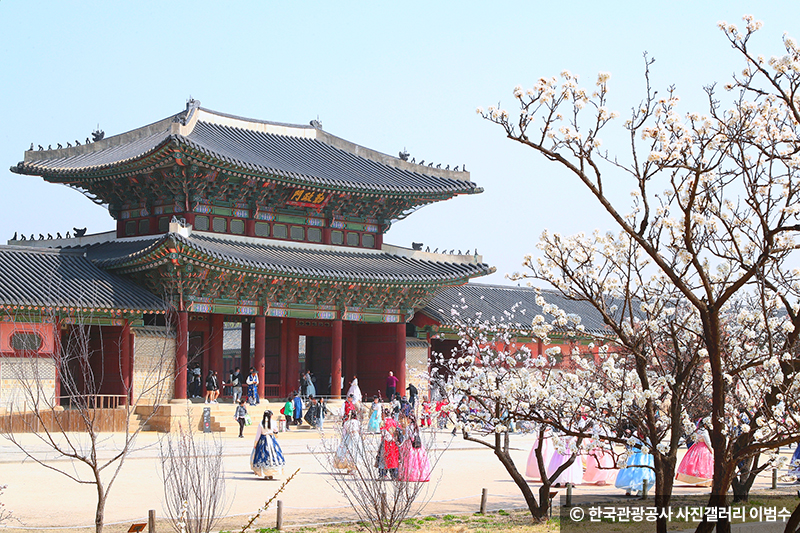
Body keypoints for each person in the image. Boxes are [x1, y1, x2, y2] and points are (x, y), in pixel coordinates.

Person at [676, 421, 713, 486]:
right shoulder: (705, 432)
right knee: (704, 464)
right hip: (704, 447)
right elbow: (707, 442)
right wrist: (711, 450)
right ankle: (704, 481)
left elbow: (696, 440)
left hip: (698, 446)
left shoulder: (697, 431)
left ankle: (697, 480)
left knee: (697, 464)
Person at [251, 410, 285, 480]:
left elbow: (258, 434)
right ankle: (272, 473)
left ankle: (265, 473)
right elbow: (275, 430)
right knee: (274, 454)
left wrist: (256, 443)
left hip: (263, 440)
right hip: (271, 439)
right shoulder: (273, 422)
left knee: (263, 455)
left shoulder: (261, 423)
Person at [399, 417, 431, 482]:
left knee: (409, 460)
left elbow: (407, 437)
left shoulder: (409, 427)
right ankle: (421, 475)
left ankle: (409, 475)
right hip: (418, 444)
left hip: (410, 444)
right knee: (419, 459)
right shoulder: (417, 428)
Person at [378, 408, 400, 480]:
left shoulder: (383, 422)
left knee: (384, 458)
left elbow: (383, 432)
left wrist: (388, 438)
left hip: (386, 443)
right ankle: (394, 475)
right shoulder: (395, 422)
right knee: (393, 458)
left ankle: (383, 474)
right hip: (394, 442)